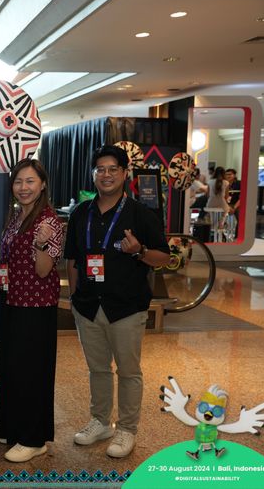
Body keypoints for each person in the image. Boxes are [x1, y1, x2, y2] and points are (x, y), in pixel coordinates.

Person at [63, 145, 169, 458]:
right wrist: (74, 298)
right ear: (93, 174)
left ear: (124, 174)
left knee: (128, 371)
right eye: (101, 169)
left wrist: (139, 251)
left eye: (113, 169)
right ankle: (100, 421)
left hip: (126, 306)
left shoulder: (141, 214)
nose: (106, 175)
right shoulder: (81, 213)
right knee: (97, 369)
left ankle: (126, 429)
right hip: (88, 305)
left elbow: (163, 258)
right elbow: (73, 259)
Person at [0, 158, 65, 463]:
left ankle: (34, 439)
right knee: (12, 368)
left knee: (32, 373)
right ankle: (13, 428)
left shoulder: (49, 222)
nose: (23, 187)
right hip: (12, 301)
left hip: (36, 307)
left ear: (43, 184)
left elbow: (43, 270)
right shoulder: (16, 216)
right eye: (18, 181)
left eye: (30, 181)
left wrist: (41, 245)